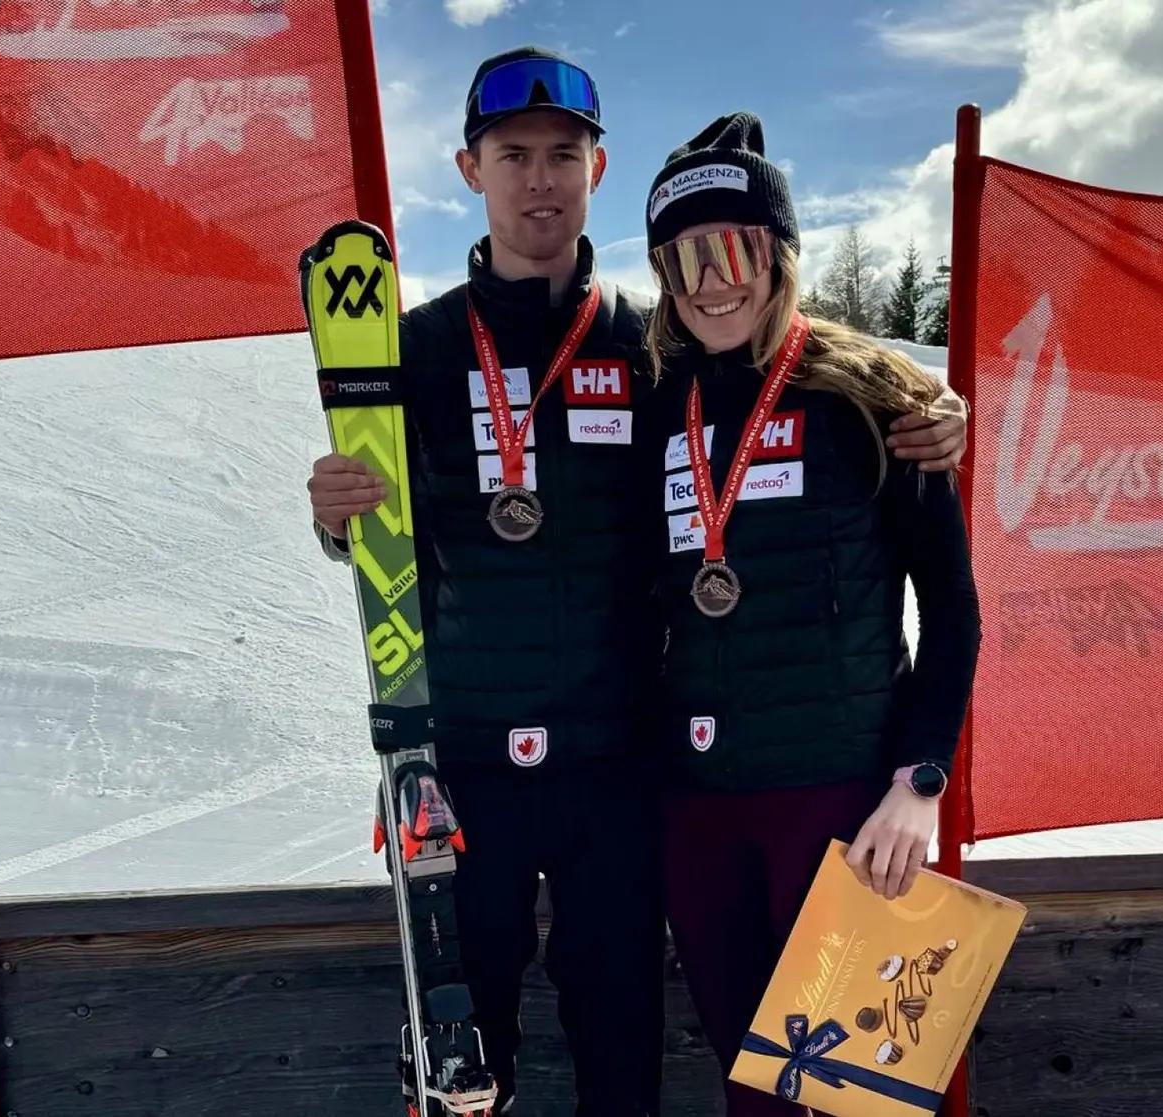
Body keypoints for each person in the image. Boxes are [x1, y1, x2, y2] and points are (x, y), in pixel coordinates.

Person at [305, 49, 967, 1115]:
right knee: (471, 1058)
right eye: (512, 155)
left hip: (622, 769)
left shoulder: (647, 350)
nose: (539, 180)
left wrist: (927, 406)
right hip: (465, 766)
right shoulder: (417, 349)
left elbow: (782, 372)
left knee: (631, 1043)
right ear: (469, 167)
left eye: (562, 156)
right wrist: (337, 518)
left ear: (596, 171)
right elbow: (378, 536)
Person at [637, 113, 981, 1117]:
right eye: (685, 260)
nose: (712, 283)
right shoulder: (657, 403)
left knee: (851, 1097)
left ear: (779, 254)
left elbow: (952, 615)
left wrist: (919, 782)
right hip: (700, 810)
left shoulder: (875, 396)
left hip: (841, 809)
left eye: (735, 250)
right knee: (755, 1089)